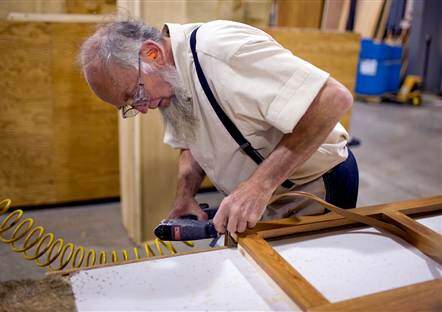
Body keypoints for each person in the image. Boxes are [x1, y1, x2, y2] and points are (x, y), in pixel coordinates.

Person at [79, 19, 359, 235]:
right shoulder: (168, 81)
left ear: (152, 54)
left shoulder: (221, 51)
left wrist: (258, 187)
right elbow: (192, 141)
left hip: (314, 188)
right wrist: (185, 197)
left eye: (134, 94)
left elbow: (332, 99)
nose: (140, 107)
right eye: (128, 106)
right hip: (263, 196)